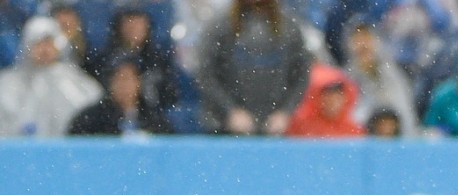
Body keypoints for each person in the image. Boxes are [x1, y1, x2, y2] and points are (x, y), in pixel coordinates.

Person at [195, 0, 311, 135]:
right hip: (225, 130)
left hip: (274, 129)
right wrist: (230, 110)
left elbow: (301, 75)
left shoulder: (289, 27)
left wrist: (285, 112)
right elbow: (205, 74)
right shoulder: (221, 26)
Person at [0, 16, 102, 137]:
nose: (44, 50)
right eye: (38, 44)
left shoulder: (76, 80)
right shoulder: (8, 84)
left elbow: (90, 111)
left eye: (49, 43)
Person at [342, 17, 419, 135]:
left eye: (366, 38)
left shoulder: (392, 74)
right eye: (357, 39)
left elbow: (405, 114)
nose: (363, 45)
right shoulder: (344, 78)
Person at [67, 53, 175, 136]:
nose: (124, 85)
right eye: (119, 79)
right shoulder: (90, 119)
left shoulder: (153, 118)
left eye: (128, 79)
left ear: (138, 83)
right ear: (110, 83)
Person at [284, 63, 366, 137]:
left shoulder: (354, 129)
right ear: (318, 98)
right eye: (328, 97)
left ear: (346, 99)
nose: (333, 102)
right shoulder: (301, 124)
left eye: (337, 98)